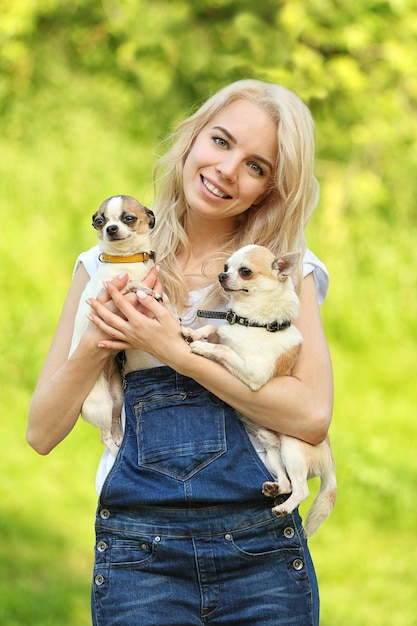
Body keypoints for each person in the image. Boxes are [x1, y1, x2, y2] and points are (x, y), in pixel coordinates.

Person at [27, 79, 333, 625]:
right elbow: (42, 432)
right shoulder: (103, 266)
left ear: (270, 189)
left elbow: (311, 414)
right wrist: (103, 338)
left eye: (256, 167)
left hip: (260, 558)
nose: (227, 171)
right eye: (220, 141)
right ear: (192, 140)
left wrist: (175, 350)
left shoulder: (283, 271)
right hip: (138, 561)